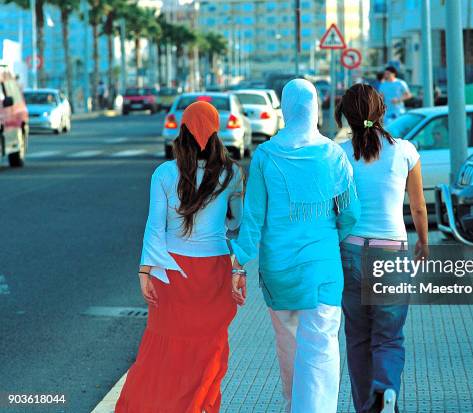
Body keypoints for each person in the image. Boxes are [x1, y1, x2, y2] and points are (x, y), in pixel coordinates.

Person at [230, 79, 360, 413]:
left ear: (286, 109)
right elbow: (350, 213)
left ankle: (293, 405)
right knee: (319, 346)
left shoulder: (265, 155)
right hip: (322, 267)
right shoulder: (332, 155)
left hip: (278, 270)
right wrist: (331, 238)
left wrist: (238, 263)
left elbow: (253, 216)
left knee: (288, 344)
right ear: (315, 108)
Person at [115, 101, 244, 413]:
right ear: (216, 132)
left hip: (171, 271)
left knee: (163, 349)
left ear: (182, 132)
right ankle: (199, 405)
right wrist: (238, 270)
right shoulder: (232, 174)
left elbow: (154, 228)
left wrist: (145, 272)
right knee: (208, 348)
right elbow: (238, 226)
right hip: (213, 272)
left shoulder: (163, 173)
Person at [335, 83, 429, 413]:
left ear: (345, 115)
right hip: (391, 250)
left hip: (351, 252)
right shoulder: (404, 150)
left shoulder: (340, 155)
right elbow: (418, 206)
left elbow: (334, 209)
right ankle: (386, 388)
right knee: (389, 336)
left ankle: (366, 407)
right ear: (383, 112)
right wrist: (424, 241)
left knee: (358, 338)